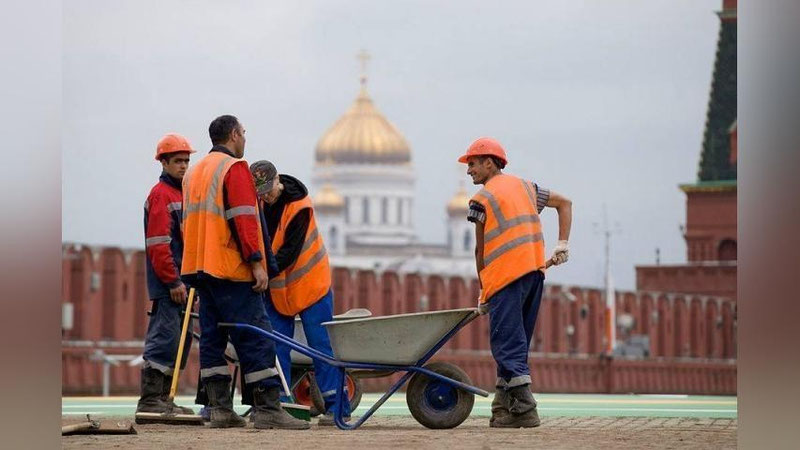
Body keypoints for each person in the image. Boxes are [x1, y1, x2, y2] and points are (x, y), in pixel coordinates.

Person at [181, 115, 309, 430]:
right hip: (230, 269)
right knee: (255, 337)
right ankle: (267, 409)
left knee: (212, 338)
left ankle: (220, 409)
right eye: (244, 133)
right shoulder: (234, 169)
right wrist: (256, 262)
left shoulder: (194, 173)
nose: (245, 140)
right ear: (235, 134)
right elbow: (244, 219)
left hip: (200, 269)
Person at [459, 137, 572, 428]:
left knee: (506, 343)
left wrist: (484, 291)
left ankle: (524, 408)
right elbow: (565, 203)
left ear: (489, 162)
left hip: (506, 279)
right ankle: (503, 406)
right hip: (534, 274)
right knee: (516, 343)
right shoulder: (526, 187)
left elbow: (479, 251)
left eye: (472, 164)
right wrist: (562, 245)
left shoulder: (480, 200)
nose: (469, 170)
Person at [250, 160, 351, 426]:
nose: (265, 197)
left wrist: (259, 272)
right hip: (280, 288)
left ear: (277, 182)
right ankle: (280, 406)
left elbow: (287, 253)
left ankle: (337, 408)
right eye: (259, 193)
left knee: (321, 346)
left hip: (311, 284)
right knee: (275, 345)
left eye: (268, 190)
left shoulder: (300, 207)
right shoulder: (259, 204)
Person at [137, 133, 197, 417]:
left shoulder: (183, 194)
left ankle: (165, 400)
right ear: (163, 162)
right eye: (177, 161)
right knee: (164, 338)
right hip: (169, 285)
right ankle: (151, 400)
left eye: (186, 161)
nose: (184, 166)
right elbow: (159, 244)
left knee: (178, 341)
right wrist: (172, 281)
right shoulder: (161, 195)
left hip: (184, 283)